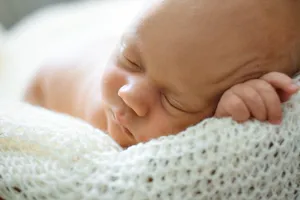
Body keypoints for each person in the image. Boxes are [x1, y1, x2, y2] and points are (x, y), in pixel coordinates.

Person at [24, 0, 300, 148]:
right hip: (43, 84)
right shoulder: (100, 109)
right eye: (130, 60)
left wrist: (230, 117)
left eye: (173, 101)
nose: (128, 94)